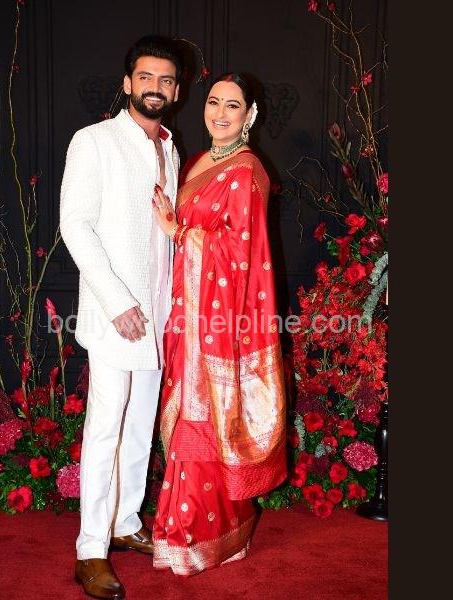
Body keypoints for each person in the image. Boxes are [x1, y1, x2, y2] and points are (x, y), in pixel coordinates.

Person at [60, 35, 183, 599]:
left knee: (140, 426)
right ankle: (90, 548)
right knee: (105, 428)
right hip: (116, 317)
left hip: (157, 314)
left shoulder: (170, 148)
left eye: (165, 80)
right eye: (146, 77)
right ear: (127, 82)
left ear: (176, 91)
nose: (155, 87)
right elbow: (75, 226)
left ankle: (126, 521)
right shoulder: (94, 141)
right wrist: (116, 302)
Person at [150, 73, 287, 576]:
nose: (221, 113)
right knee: (192, 416)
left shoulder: (247, 171)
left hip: (219, 320)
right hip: (187, 311)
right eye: (214, 102)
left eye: (233, 105)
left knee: (205, 418)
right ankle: (205, 529)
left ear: (250, 114)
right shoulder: (195, 163)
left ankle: (195, 535)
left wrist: (178, 231)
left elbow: (239, 253)